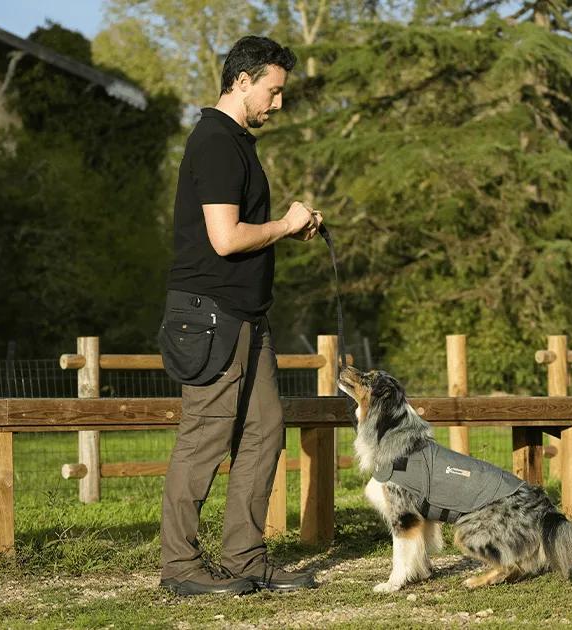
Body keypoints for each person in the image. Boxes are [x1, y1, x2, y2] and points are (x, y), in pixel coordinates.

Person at [157, 35, 324, 597]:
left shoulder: (237, 144)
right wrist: (285, 223)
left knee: (264, 431)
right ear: (243, 80)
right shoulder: (215, 142)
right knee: (205, 439)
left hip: (247, 316)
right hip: (211, 317)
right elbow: (225, 240)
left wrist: (289, 227)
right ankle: (181, 568)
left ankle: (247, 558)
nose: (277, 105)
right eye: (273, 92)